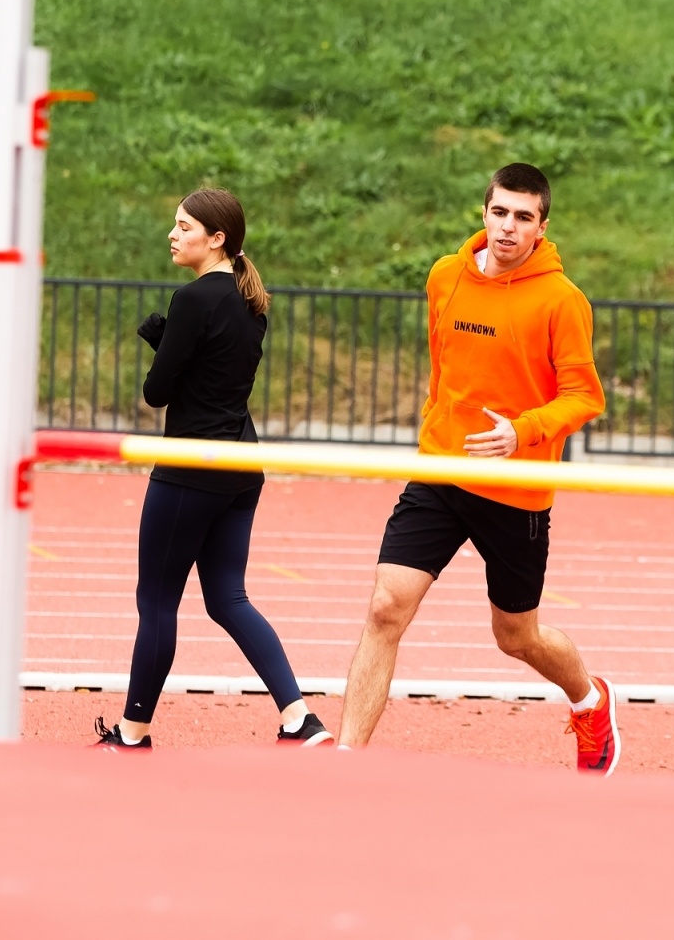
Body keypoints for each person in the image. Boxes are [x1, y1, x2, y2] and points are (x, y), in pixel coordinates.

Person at [337, 163, 619, 774]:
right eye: (500, 213)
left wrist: (522, 431)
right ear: (483, 213)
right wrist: (435, 430)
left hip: (516, 491)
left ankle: (591, 700)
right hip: (440, 472)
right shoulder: (445, 277)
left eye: (523, 217)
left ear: (542, 227)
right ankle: (344, 761)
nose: (508, 227)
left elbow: (584, 396)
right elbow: (443, 370)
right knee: (387, 606)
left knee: (516, 637)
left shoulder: (562, 301)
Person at [94, 187, 331, 751]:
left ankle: (133, 731)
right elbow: (213, 376)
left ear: (216, 238)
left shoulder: (195, 298)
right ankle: (298, 715)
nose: (172, 235)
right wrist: (169, 341)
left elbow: (158, 392)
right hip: (241, 466)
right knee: (228, 598)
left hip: (191, 467)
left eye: (183, 226)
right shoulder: (253, 301)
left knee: (156, 603)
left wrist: (162, 342)